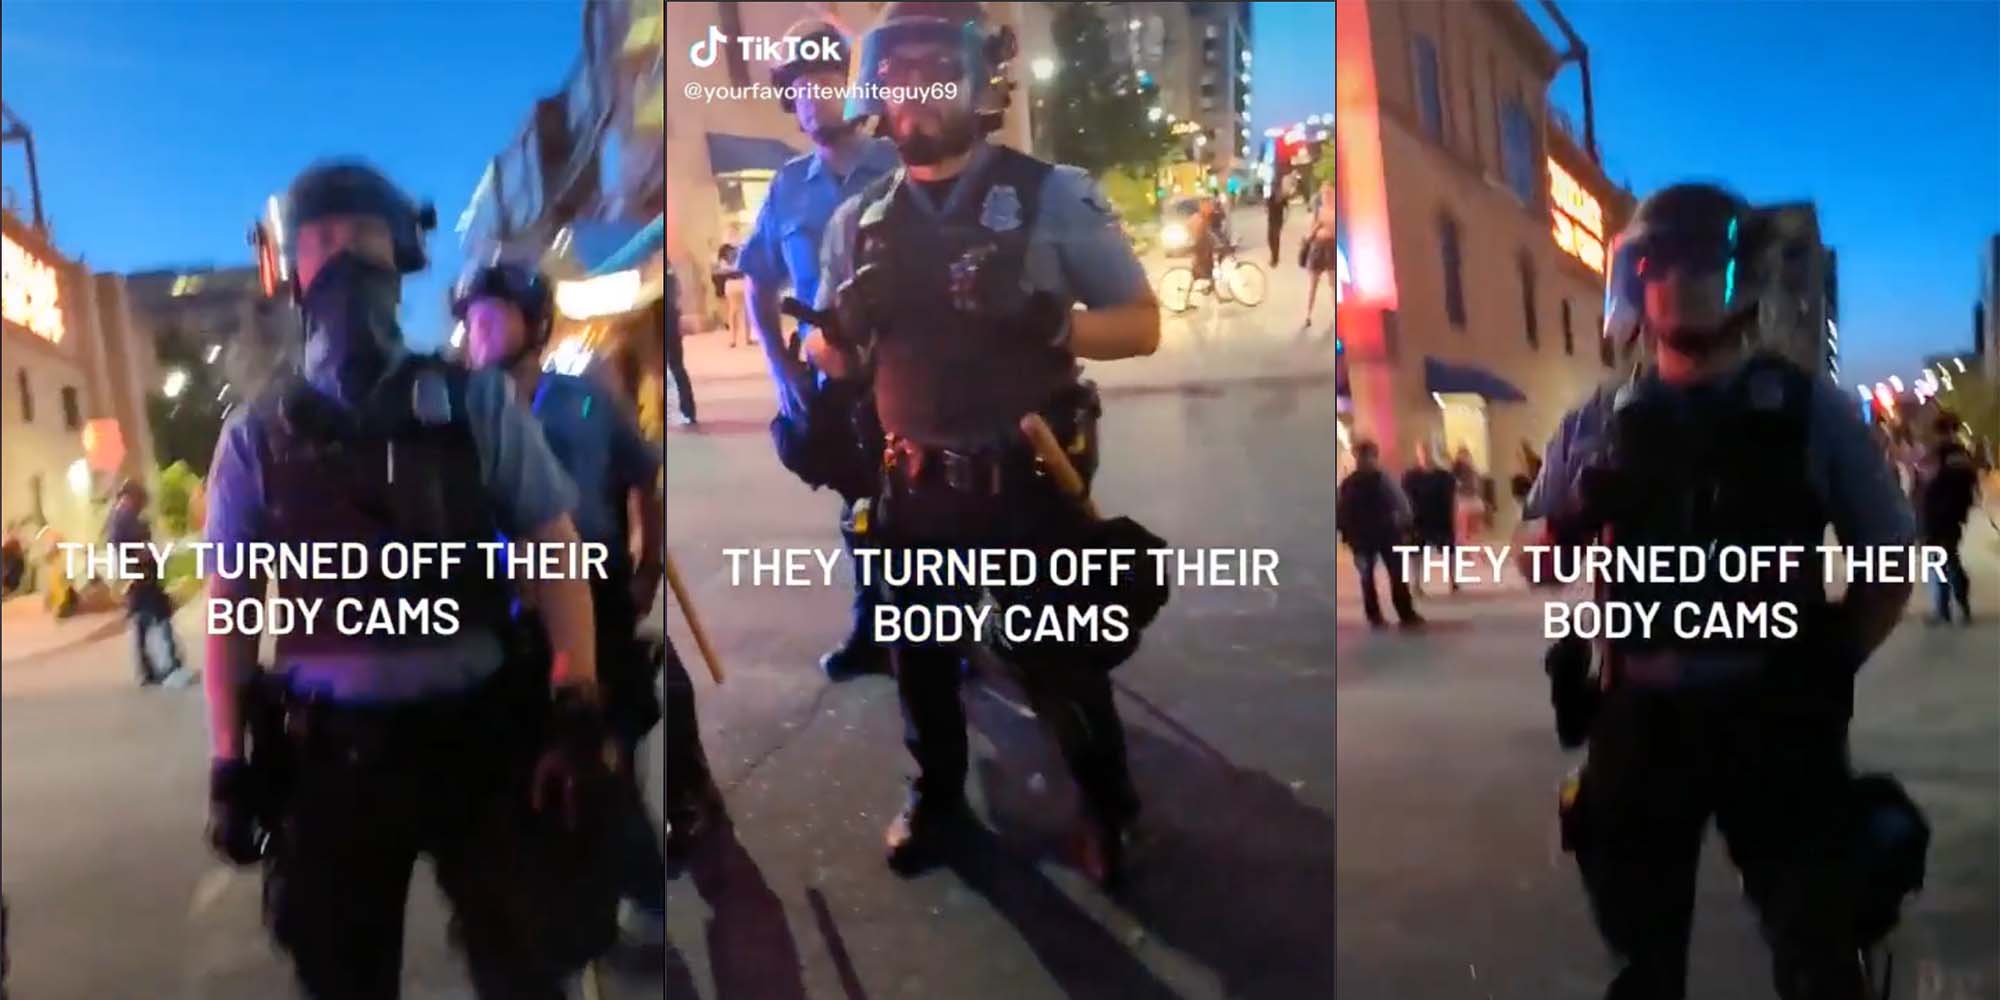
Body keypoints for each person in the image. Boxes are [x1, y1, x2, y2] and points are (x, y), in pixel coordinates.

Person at [206, 160, 618, 997]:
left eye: (363, 236)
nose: (345, 257)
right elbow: (230, 609)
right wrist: (228, 762)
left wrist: (575, 699)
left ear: (400, 256)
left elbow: (553, 547)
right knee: (344, 977)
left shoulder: (476, 404)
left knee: (528, 971)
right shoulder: (256, 436)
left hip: (479, 740)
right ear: (290, 269)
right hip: (331, 759)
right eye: (322, 241)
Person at [1523, 182, 1919, 999]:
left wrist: (1832, 653)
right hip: (1641, 715)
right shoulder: (1599, 420)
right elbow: (1534, 561)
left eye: (1698, 263)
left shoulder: (1810, 414)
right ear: (1638, 279)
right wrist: (1568, 523)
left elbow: (1891, 555)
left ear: (1736, 278)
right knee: (1642, 949)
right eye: (1661, 264)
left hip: (1772, 717)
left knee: (1816, 950)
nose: (1680, 284)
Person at [807, 0, 1161, 886]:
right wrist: (842, 328)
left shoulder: (1054, 195)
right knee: (921, 659)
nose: (914, 96)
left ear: (977, 81)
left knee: (1062, 662)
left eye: (935, 71)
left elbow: (1142, 324)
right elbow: (827, 352)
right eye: (897, 75)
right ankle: (937, 795)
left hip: (1028, 479)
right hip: (913, 486)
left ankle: (1107, 805)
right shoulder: (856, 223)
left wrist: (1049, 321)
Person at [453, 261, 689, 943]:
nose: (479, 333)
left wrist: (647, 560)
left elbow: (643, 473)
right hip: (507, 617)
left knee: (602, 761)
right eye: (471, 320)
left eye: (493, 317)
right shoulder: (461, 415)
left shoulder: (583, 398)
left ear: (535, 324)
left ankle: (645, 894)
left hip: (597, 602)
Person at [737, 18, 900, 681]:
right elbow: (758, 279)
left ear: (849, 84)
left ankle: (946, 631)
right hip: (834, 378)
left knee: (931, 508)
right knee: (860, 509)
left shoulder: (897, 164)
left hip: (909, 371)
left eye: (824, 81)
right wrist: (781, 373)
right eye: (798, 87)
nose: (811, 98)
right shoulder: (787, 188)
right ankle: (871, 628)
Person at [105, 480, 187, 686]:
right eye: (141, 500)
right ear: (133, 496)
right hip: (141, 576)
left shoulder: (126, 516)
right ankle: (170, 664)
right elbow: (123, 547)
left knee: (144, 621)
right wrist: (146, 554)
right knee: (160, 617)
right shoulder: (122, 517)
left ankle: (148, 669)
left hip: (141, 576)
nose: (143, 504)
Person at [1337, 441, 1423, 627]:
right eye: (1362, 457)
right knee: (1384, 575)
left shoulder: (1355, 483)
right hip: (1378, 535)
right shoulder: (1376, 480)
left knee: (1384, 576)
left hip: (1377, 535)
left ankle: (1387, 615)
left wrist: (1345, 533)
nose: (1363, 461)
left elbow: (1341, 510)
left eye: (1365, 457)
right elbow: (1401, 504)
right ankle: (1401, 614)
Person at [1916, 416, 1978, 624]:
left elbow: (1926, 481)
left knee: (1940, 561)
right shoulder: (1963, 454)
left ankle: (1943, 610)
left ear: (1939, 432)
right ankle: (1961, 604)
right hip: (1956, 515)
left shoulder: (1936, 454)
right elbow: (1971, 484)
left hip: (1936, 514)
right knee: (1950, 557)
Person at [1401, 443, 1459, 595]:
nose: (1425, 455)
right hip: (1418, 519)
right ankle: (1416, 583)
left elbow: (1452, 499)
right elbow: (1405, 499)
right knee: (1416, 552)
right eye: (1422, 452)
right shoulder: (1411, 477)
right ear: (1418, 454)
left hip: (1441, 518)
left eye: (1428, 451)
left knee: (1449, 550)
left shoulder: (1445, 476)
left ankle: (1453, 580)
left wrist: (1454, 519)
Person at [663, 264, 697, 427]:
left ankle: (686, 410)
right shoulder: (668, 269)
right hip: (669, 317)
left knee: (675, 366)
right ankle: (687, 411)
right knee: (676, 367)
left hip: (665, 319)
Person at [1302, 181, 1337, 329]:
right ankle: (1308, 315)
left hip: (1331, 248)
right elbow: (1312, 230)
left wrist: (1327, 225)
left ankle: (1335, 313)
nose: (1326, 196)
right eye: (1324, 194)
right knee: (1313, 284)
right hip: (1318, 248)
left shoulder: (1336, 210)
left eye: (1329, 193)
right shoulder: (1320, 211)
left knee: (1333, 283)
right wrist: (1310, 235)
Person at [1265, 173, 1288, 268]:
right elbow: (1266, 207)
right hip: (1271, 220)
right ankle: (1274, 257)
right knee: (1270, 239)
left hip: (1277, 221)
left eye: (1273, 185)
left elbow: (1287, 209)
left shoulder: (1281, 197)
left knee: (1275, 239)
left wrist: (1285, 219)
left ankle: (1275, 259)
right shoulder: (1270, 196)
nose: (1272, 187)